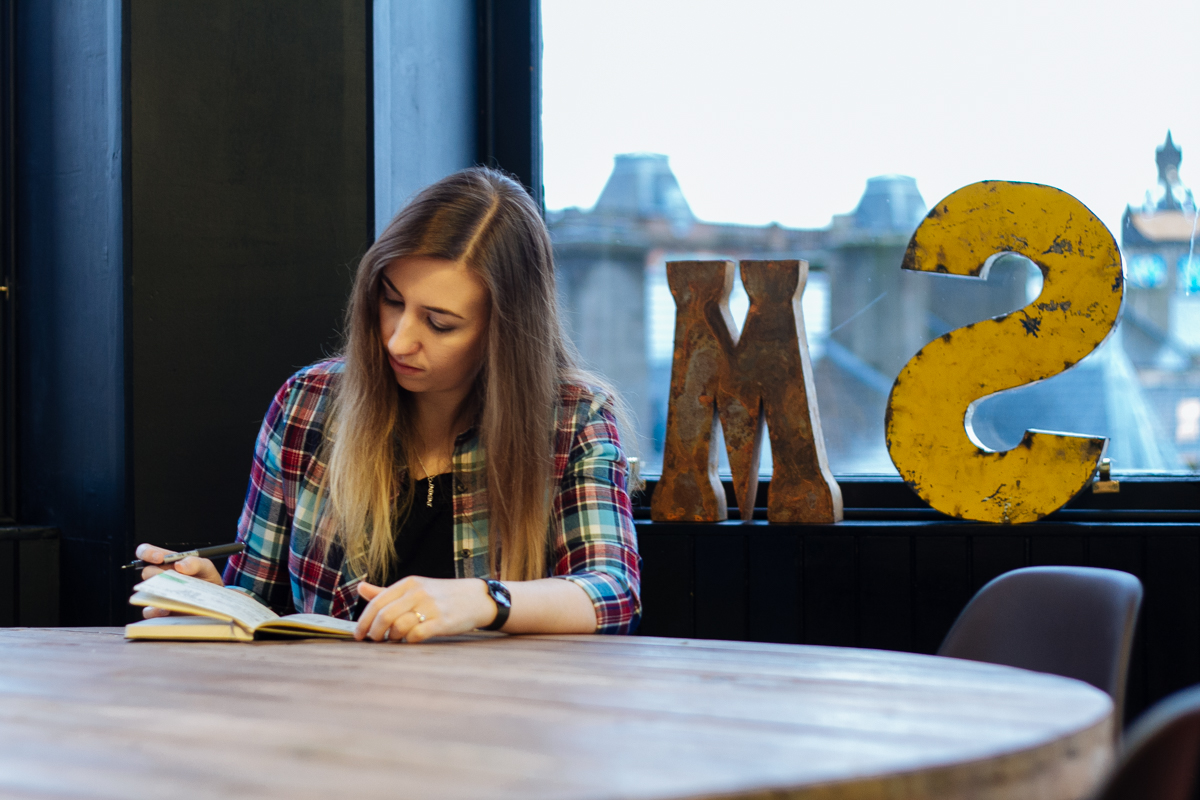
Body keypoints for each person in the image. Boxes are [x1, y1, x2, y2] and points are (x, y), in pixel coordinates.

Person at [135, 167, 641, 642]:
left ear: (504, 334)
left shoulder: (575, 417)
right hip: (327, 715)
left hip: (495, 719)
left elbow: (613, 592)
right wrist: (209, 598)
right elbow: (257, 594)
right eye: (392, 301)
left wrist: (483, 600)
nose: (399, 342)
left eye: (439, 323)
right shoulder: (308, 403)